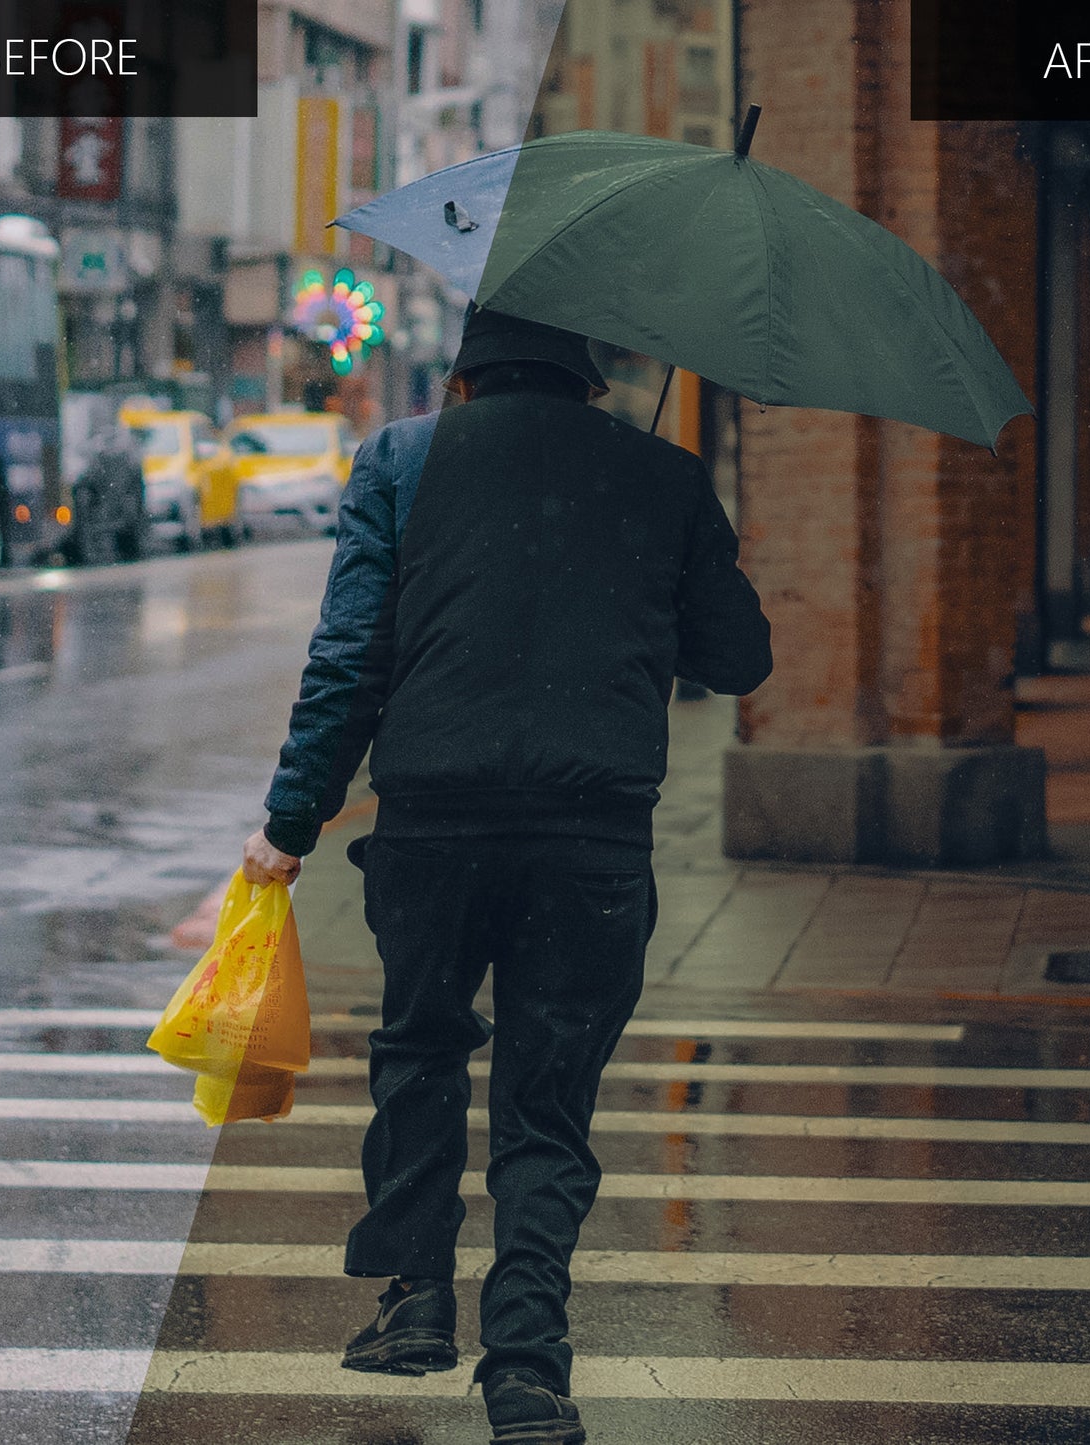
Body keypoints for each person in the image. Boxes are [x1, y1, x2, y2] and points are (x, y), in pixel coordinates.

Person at [241, 306, 772, 1444]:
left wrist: (292, 819)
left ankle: (415, 1298)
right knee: (546, 1100)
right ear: (589, 381)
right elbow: (738, 658)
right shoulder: (663, 474)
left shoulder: (399, 458)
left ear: (464, 380)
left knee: (420, 1047)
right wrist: (661, 561)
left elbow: (350, 655)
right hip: (591, 836)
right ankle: (527, 1367)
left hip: (433, 826)